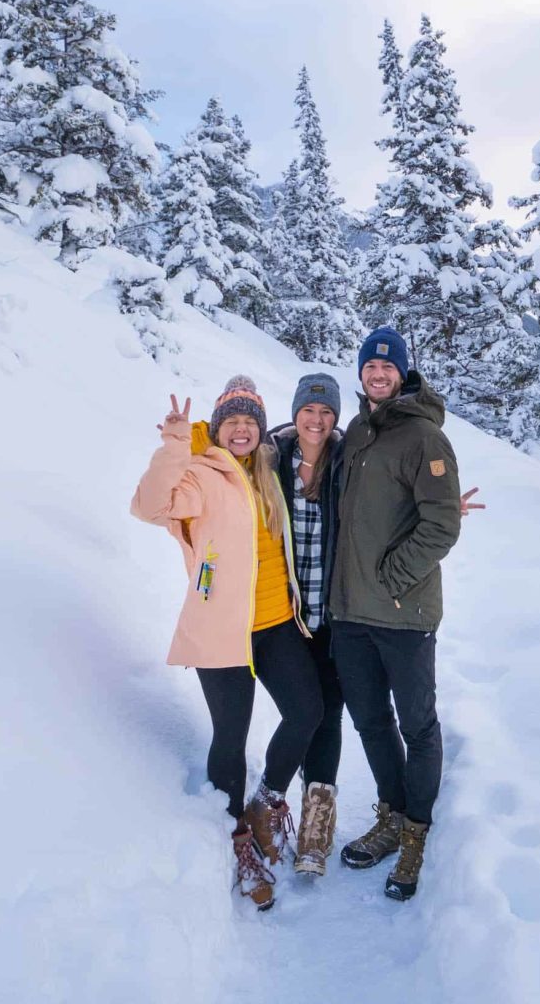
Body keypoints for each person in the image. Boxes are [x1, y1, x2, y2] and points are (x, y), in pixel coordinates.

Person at [131, 375, 327, 911]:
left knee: (307, 710)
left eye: (249, 421)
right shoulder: (199, 472)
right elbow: (149, 507)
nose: (241, 429)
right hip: (222, 630)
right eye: (232, 421)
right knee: (230, 739)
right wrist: (175, 445)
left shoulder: (266, 472)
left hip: (274, 624)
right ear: (218, 428)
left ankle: (266, 804)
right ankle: (238, 843)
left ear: (260, 430)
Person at [328, 326, 463, 901]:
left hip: (404, 613)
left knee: (417, 725)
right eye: (369, 368)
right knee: (372, 722)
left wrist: (393, 576)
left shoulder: (424, 438)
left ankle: (416, 832)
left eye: (388, 368)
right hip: (352, 614)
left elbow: (442, 524)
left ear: (403, 372)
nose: (378, 375)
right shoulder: (358, 431)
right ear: (360, 374)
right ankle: (390, 814)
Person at [267, 372, 347, 876]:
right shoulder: (272, 460)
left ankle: (317, 823)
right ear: (295, 412)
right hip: (287, 615)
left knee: (330, 714)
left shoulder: (347, 461)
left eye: (326, 413)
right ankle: (271, 804)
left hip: (337, 614)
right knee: (306, 711)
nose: (316, 420)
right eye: (309, 410)